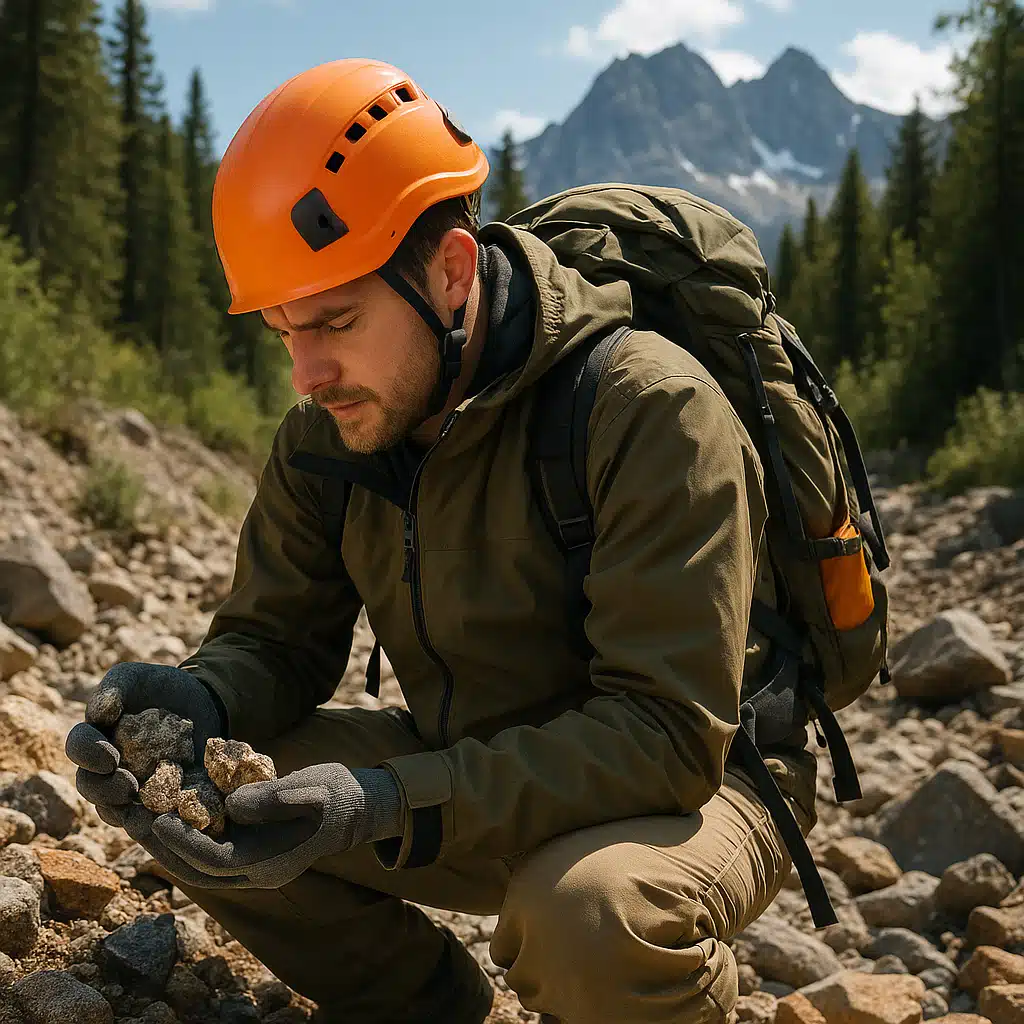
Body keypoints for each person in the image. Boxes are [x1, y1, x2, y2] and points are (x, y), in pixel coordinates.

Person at [66, 57, 821, 1024]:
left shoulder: (646, 407)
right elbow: (276, 642)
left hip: (698, 784)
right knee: (187, 789)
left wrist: (391, 798)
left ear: (452, 271)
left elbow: (666, 737)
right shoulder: (334, 426)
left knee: (587, 917)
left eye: (336, 320)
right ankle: (430, 1007)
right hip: (473, 762)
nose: (307, 372)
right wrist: (200, 698)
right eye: (283, 330)